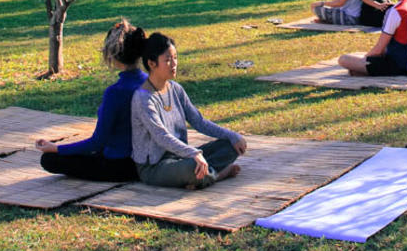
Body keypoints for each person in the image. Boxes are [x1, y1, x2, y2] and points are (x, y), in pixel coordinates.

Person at [34, 20, 147, 182]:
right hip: (145, 162)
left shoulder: (116, 92)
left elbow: (97, 142)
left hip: (119, 165)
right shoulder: (151, 83)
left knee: (49, 160)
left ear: (112, 55)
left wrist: (56, 148)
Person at [130, 33, 247, 189]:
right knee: (192, 167)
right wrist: (193, 154)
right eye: (167, 60)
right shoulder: (143, 98)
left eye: (175, 58)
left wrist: (232, 136)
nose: (174, 64)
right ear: (152, 64)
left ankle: (202, 176)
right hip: (155, 166)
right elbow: (161, 137)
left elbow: (199, 122)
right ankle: (217, 175)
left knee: (232, 145)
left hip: (182, 156)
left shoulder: (176, 89)